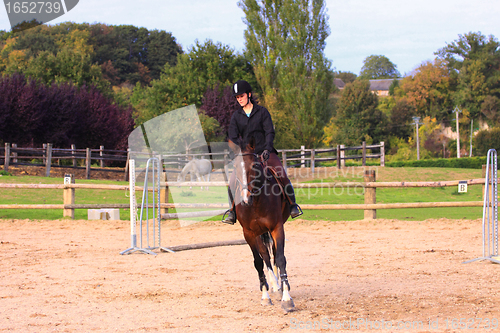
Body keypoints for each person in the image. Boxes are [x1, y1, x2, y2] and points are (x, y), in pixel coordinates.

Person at [222, 80, 303, 224]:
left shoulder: (262, 112)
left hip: (265, 153)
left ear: (249, 94)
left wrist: (267, 148)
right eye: (237, 97)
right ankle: (232, 212)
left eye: (241, 96)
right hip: (247, 156)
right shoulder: (236, 117)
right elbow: (233, 137)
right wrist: (239, 153)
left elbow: (269, 132)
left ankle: (292, 205)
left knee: (281, 174)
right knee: (233, 181)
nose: (239, 99)